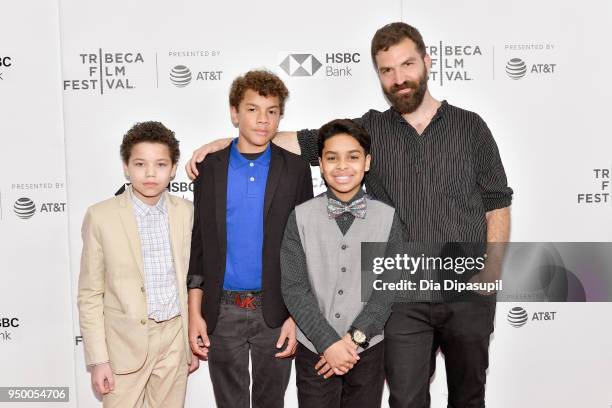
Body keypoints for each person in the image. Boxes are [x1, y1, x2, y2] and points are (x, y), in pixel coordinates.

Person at [186, 22, 513, 408]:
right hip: (403, 295)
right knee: (407, 400)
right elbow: (307, 141)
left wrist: (491, 270)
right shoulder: (371, 128)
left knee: (469, 396)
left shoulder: (471, 127)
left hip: (465, 288)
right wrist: (235, 140)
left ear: (427, 62)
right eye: (387, 70)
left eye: (407, 65)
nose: (399, 78)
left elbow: (497, 202)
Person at [186, 69, 314, 408]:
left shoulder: (297, 169)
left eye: (272, 111)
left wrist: (295, 316)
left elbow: (303, 247)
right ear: (234, 113)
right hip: (221, 310)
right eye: (253, 109)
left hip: (276, 312)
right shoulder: (209, 168)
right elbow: (199, 245)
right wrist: (195, 312)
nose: (263, 120)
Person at [281, 119, 404, 407]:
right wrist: (328, 343)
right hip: (315, 351)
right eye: (332, 158)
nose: (342, 166)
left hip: (368, 351)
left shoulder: (387, 218)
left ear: (367, 162)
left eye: (353, 157)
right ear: (321, 164)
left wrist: (351, 342)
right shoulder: (300, 216)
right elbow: (294, 288)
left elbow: (386, 290)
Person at [77, 121, 198, 408]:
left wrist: (187, 345)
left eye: (160, 164)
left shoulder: (187, 212)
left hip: (174, 339)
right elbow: (90, 294)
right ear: (126, 167)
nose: (150, 173)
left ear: (173, 168)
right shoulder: (100, 216)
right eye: (140, 164)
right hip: (122, 345)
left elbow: (192, 279)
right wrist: (98, 359)